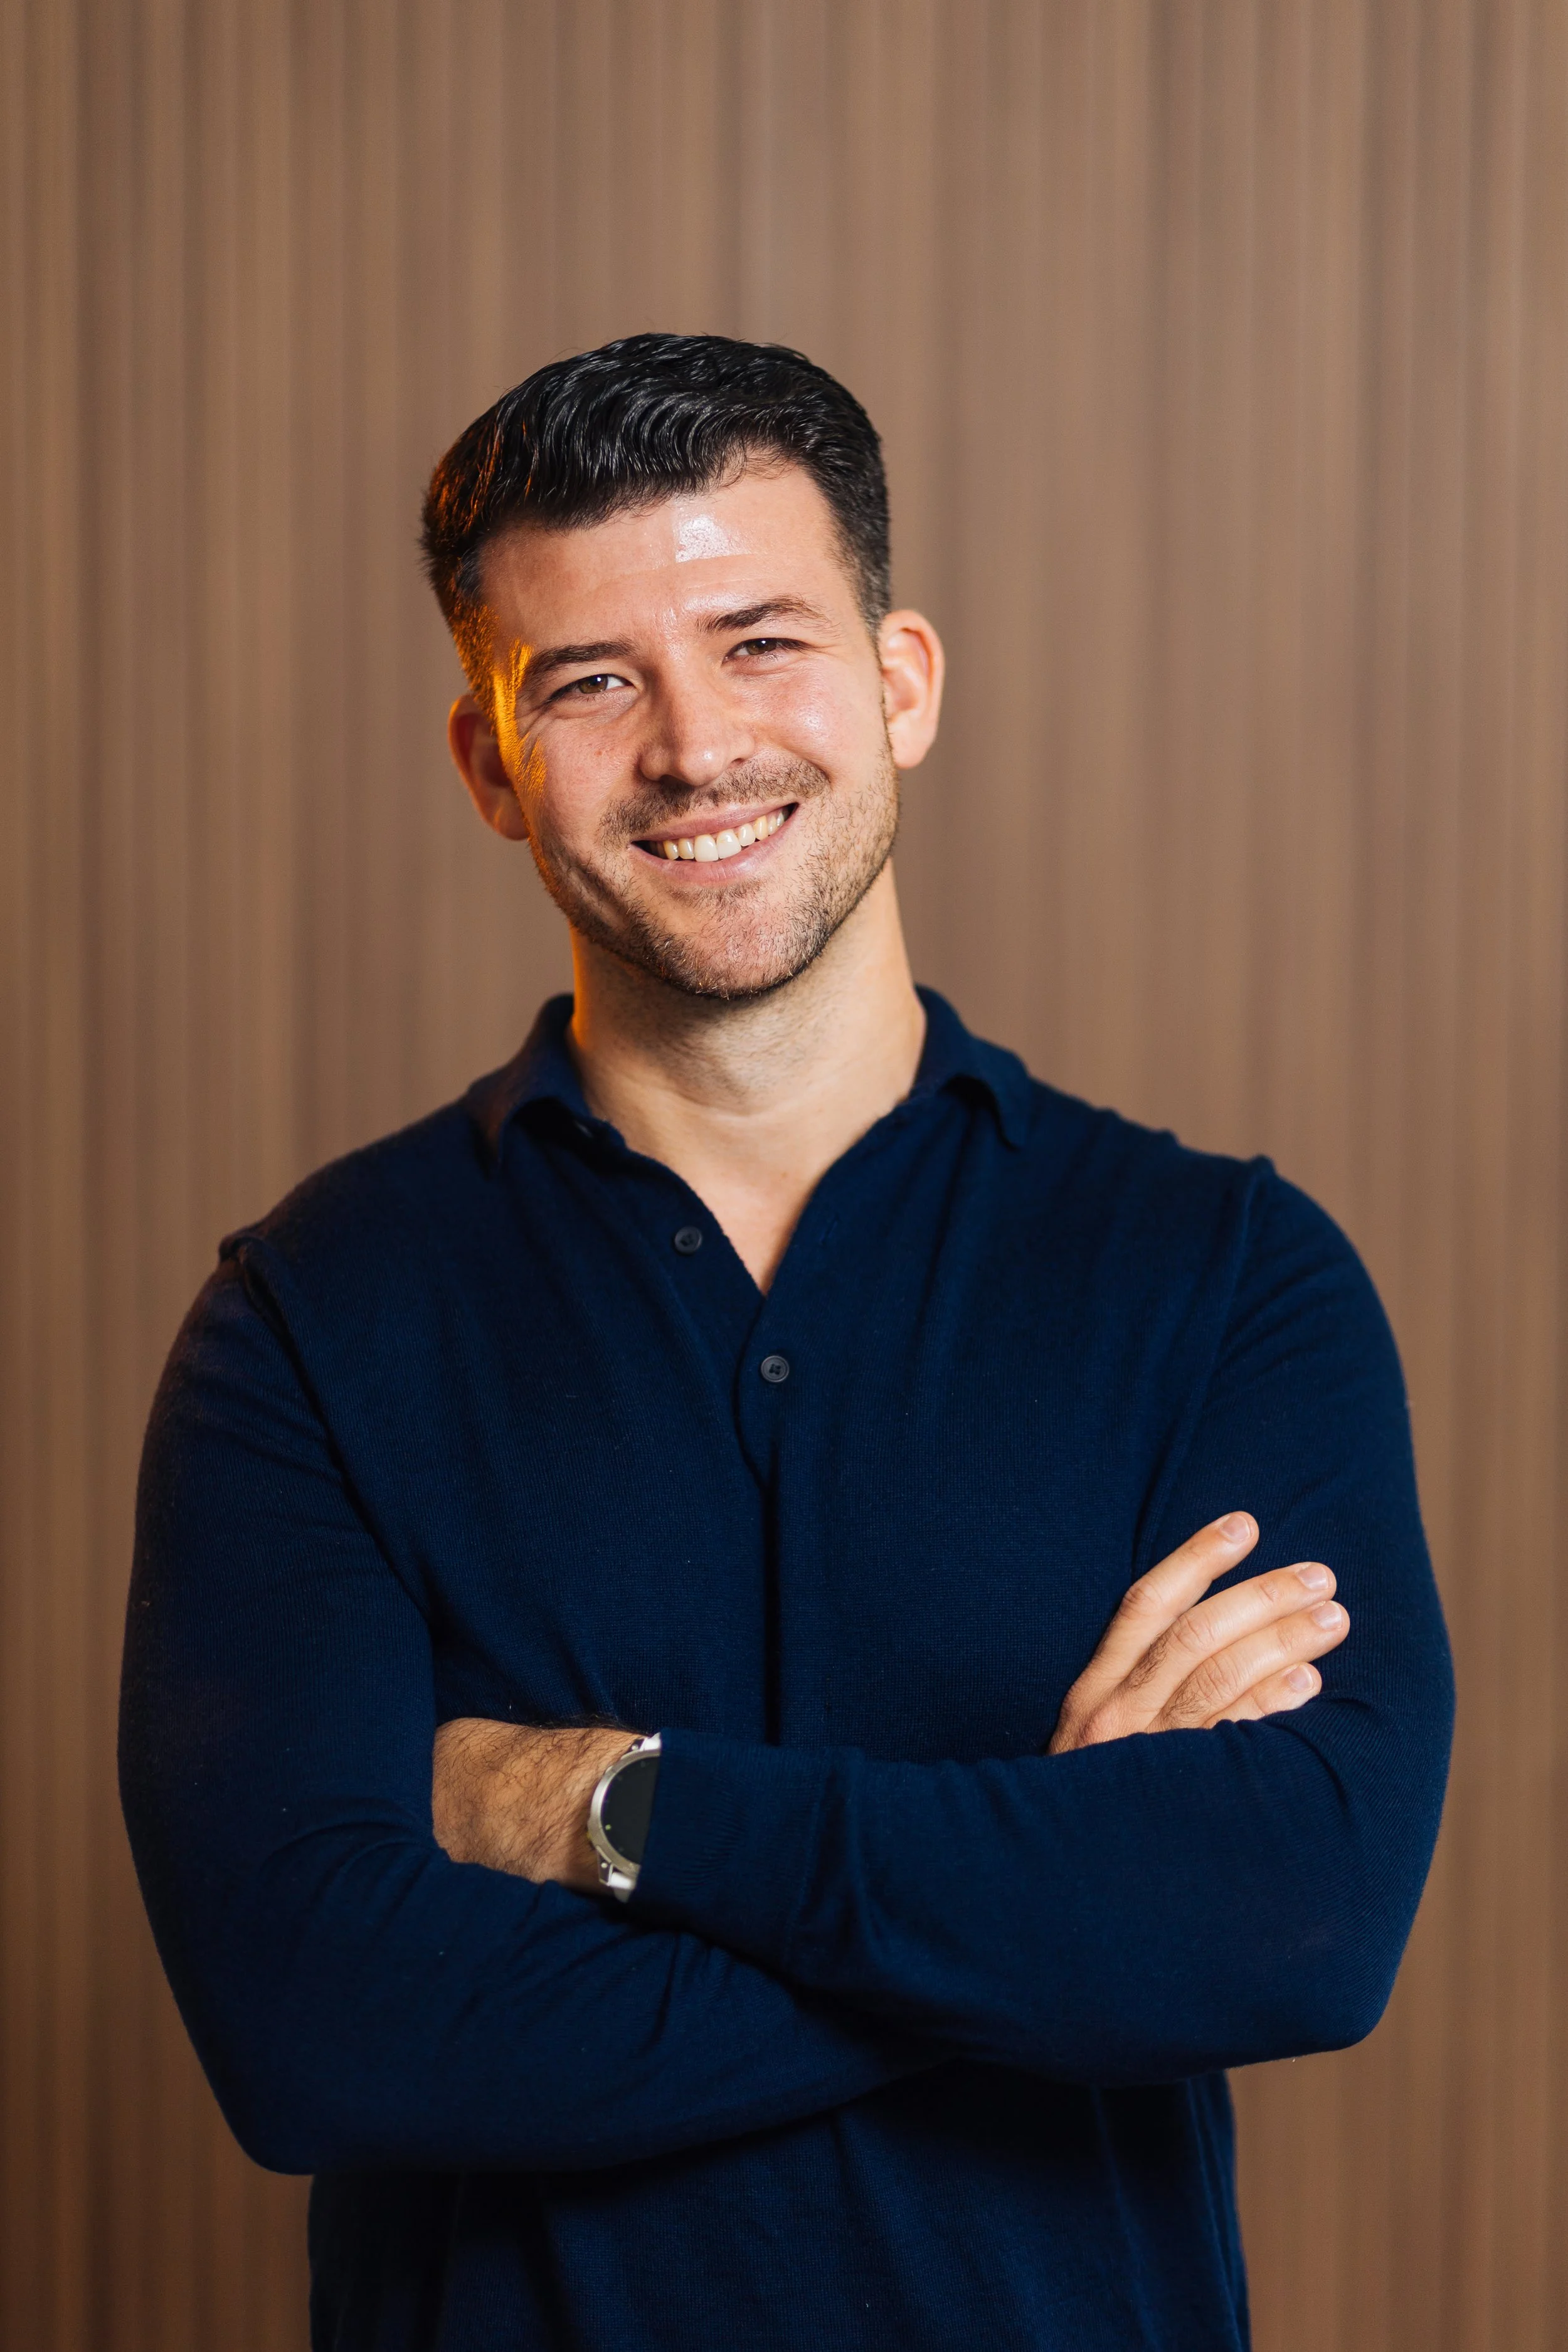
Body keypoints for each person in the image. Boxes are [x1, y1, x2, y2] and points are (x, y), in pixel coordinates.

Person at [120, 334, 1453, 2352]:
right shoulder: (305, 1323)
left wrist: (608, 1808)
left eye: (760, 642)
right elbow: (317, 2031)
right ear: (489, 764)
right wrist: (1047, 1883)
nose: (692, 747)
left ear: (899, 681)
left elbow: (1298, 1924)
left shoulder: (1224, 1278)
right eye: (589, 680)